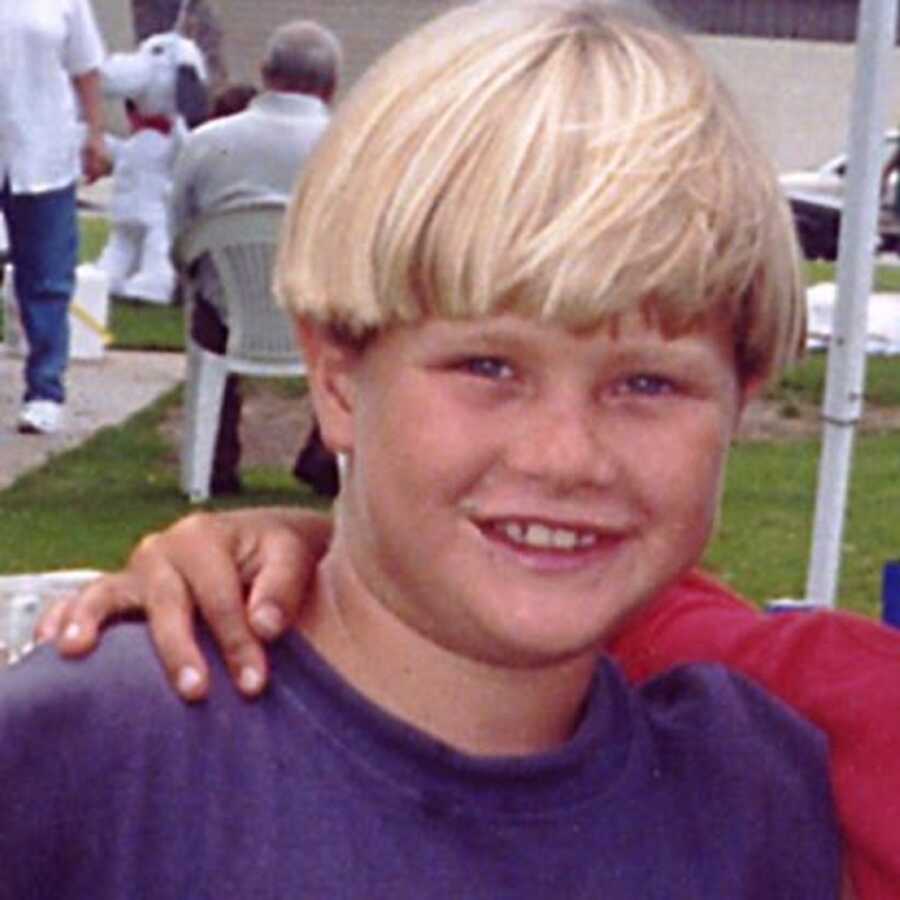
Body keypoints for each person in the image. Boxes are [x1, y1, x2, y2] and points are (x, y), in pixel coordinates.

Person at [3, 2, 844, 896]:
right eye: (488, 365)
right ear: (335, 377)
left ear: (739, 403)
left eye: (647, 385)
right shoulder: (95, 755)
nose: (566, 457)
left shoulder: (757, 799)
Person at [172, 18, 341, 495]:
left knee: (208, 301)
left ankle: (217, 462)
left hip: (226, 316)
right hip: (319, 316)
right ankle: (326, 454)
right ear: (331, 86)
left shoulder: (206, 142)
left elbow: (179, 238)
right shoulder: (349, 147)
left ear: (265, 74)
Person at [0, 0, 108, 435]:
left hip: (43, 148)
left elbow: (86, 67)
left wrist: (96, 135)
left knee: (46, 277)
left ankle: (44, 390)